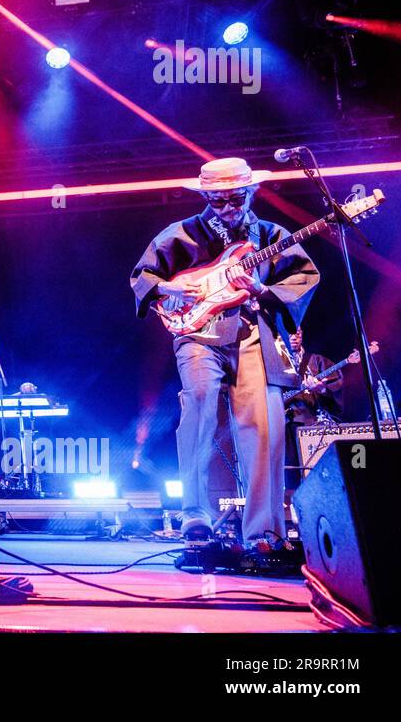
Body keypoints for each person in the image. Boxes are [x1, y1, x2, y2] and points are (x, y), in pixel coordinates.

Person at [131, 158, 318, 550]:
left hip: (253, 333)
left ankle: (264, 532)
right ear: (206, 198)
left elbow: (305, 276)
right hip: (198, 335)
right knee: (199, 405)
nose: (228, 208)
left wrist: (261, 290)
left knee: (263, 425)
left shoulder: (271, 234)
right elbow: (142, 277)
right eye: (218, 201)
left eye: (235, 199)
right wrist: (172, 291)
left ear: (251, 193)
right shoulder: (181, 234)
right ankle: (195, 515)